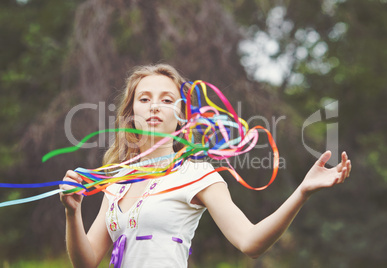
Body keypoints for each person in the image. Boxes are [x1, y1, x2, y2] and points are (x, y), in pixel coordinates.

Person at [60, 64, 352, 268]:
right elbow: (86, 262)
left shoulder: (196, 174)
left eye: (167, 99)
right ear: (131, 112)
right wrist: (72, 214)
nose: (154, 106)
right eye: (144, 98)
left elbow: (251, 243)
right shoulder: (117, 180)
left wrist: (302, 191)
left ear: (182, 116)